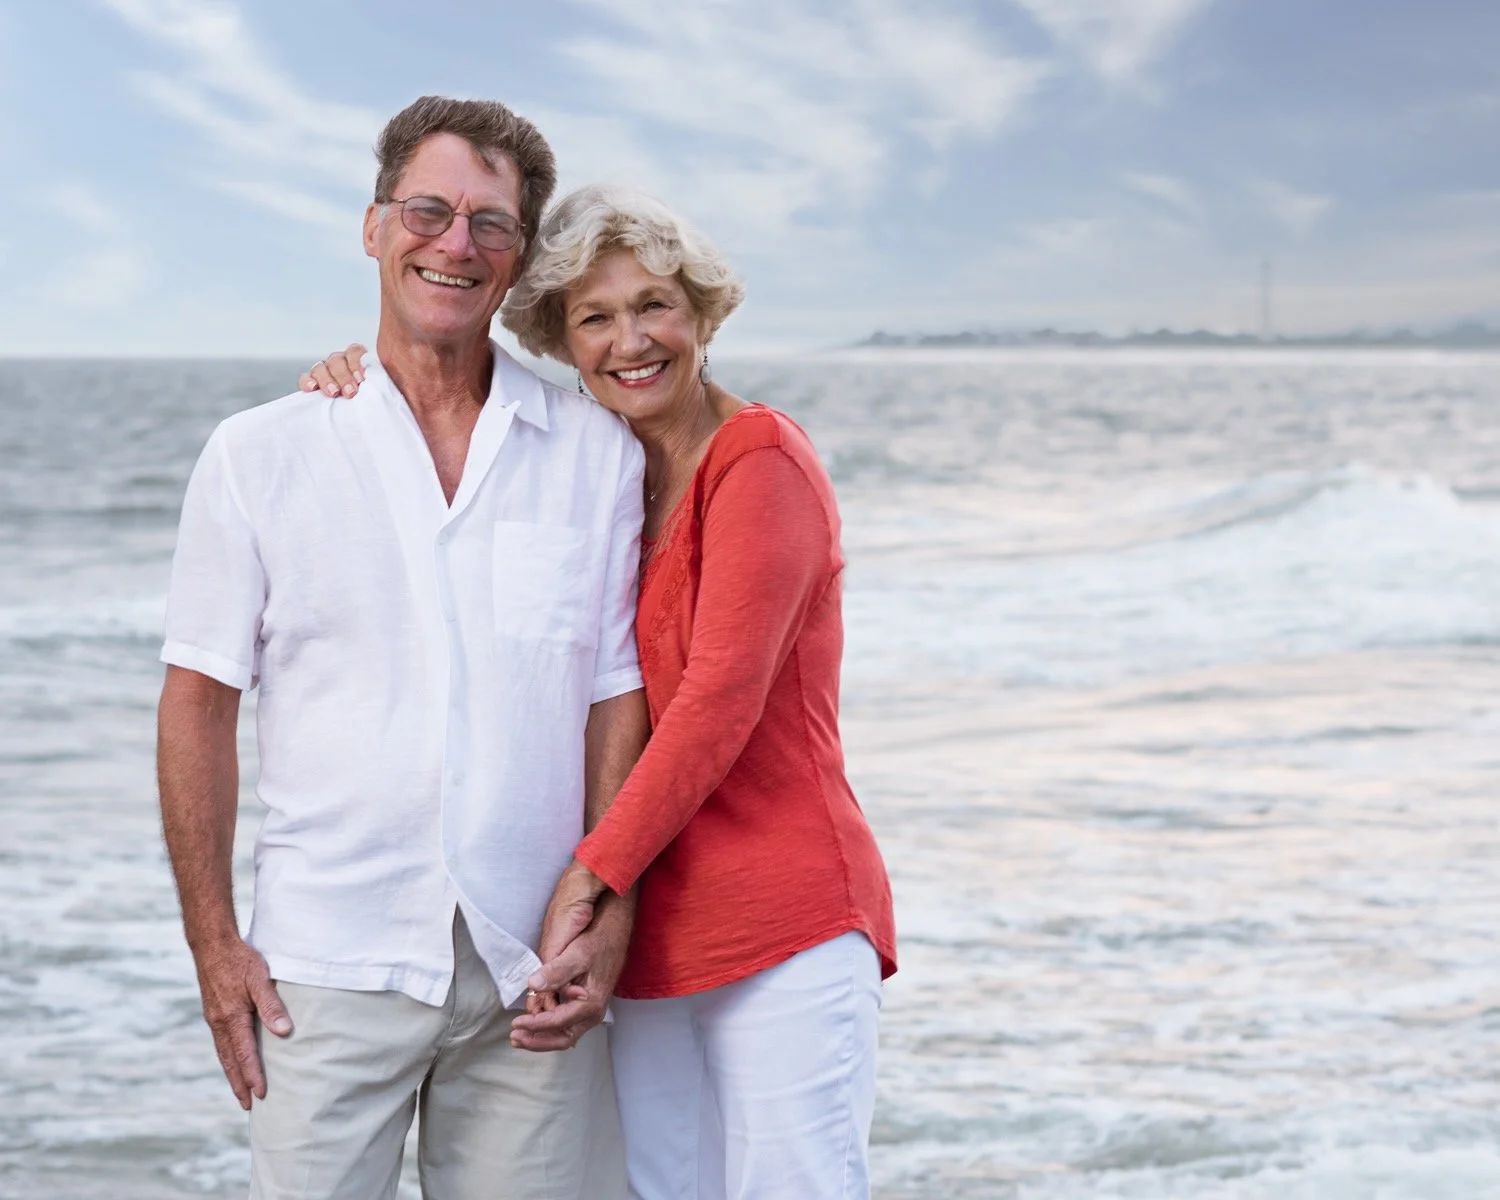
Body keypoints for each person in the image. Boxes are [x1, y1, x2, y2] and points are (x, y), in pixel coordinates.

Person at [302, 183, 898, 1199]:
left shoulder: (760, 461)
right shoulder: (610, 465)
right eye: (596, 317)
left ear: (701, 313)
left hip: (785, 922)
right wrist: (356, 384)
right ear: (564, 341)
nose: (632, 339)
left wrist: (584, 877)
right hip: (657, 937)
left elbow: (719, 701)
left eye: (655, 304)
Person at [157, 97, 648, 1199]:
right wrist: (212, 941)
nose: (455, 244)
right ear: (373, 228)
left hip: (537, 965)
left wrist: (610, 915)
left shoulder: (593, 452)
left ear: (519, 260)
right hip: (329, 962)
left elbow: (615, 694)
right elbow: (198, 701)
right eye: (427, 211)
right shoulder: (258, 453)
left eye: (490, 224)